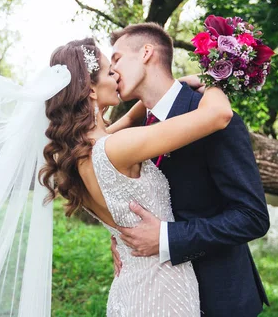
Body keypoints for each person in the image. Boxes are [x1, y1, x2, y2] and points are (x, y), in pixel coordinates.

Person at [39, 38, 233, 316]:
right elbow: (219, 114)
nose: (116, 75)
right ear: (91, 90)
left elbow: (127, 121)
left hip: (130, 286)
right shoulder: (118, 148)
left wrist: (172, 84)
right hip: (164, 289)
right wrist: (218, 76)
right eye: (109, 72)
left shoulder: (72, 156)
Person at [110, 23, 270, 316]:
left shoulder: (213, 117)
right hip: (154, 294)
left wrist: (166, 239)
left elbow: (252, 217)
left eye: (117, 59)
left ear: (146, 53)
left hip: (217, 297)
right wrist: (123, 240)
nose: (111, 71)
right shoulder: (139, 126)